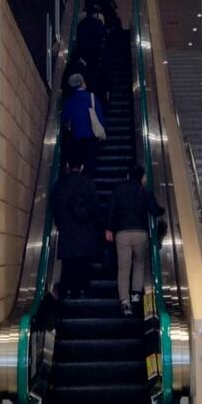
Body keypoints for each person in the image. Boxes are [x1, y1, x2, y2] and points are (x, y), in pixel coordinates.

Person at [105, 164, 164, 317]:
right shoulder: (145, 191)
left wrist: (109, 228)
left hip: (122, 233)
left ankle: (125, 302)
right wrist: (162, 210)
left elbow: (111, 209)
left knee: (123, 268)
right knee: (139, 264)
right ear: (142, 178)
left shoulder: (118, 190)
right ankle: (136, 295)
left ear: (127, 176)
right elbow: (155, 210)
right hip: (140, 233)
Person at [51, 157, 103, 299]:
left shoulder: (59, 185)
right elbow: (96, 208)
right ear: (81, 167)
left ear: (67, 165)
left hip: (67, 232)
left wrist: (60, 223)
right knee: (84, 263)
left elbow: (54, 208)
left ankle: (68, 292)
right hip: (86, 232)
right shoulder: (89, 184)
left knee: (68, 264)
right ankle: (84, 290)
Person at [61, 73, 106, 177]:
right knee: (90, 162)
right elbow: (100, 115)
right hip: (91, 136)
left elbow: (64, 118)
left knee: (79, 160)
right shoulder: (91, 97)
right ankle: (88, 183)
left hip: (76, 137)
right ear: (82, 84)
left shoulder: (70, 101)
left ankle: (78, 180)